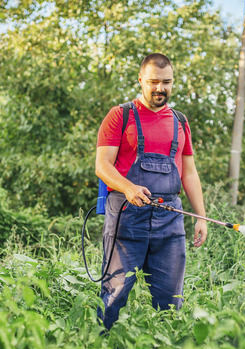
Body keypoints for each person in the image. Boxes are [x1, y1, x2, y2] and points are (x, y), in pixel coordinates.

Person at [95, 53, 207, 331]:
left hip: (169, 224)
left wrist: (201, 217)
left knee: (171, 302)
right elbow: (102, 165)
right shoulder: (120, 115)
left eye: (166, 82)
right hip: (126, 220)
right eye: (154, 82)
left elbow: (189, 172)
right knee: (113, 296)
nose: (160, 88)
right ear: (141, 80)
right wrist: (128, 187)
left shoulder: (180, 121)